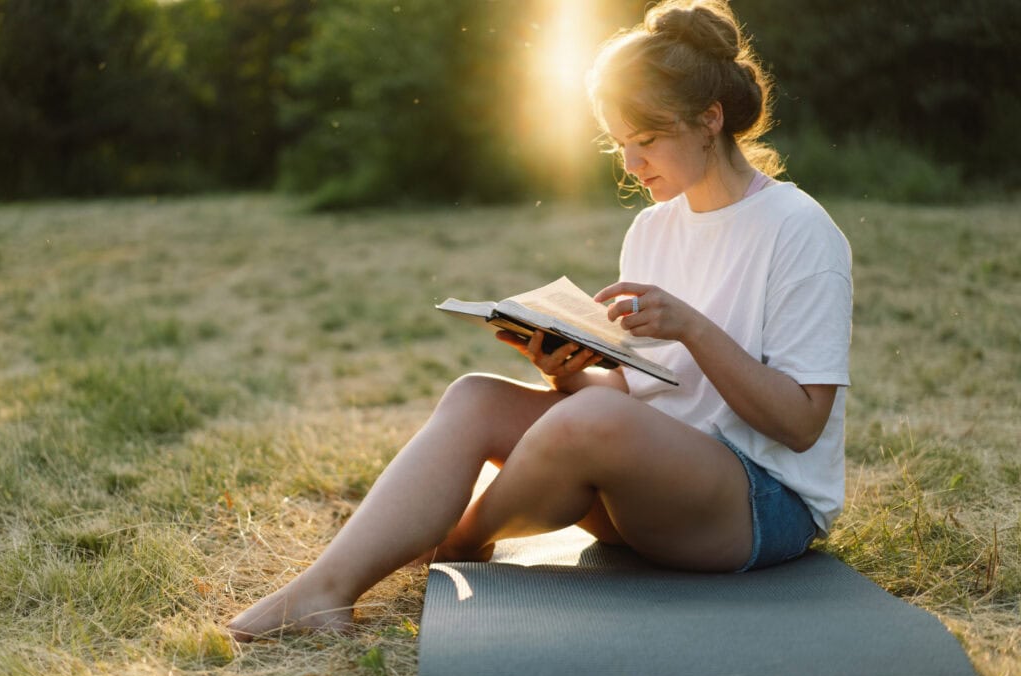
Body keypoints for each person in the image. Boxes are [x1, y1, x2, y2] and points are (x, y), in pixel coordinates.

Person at [227, 0, 852, 641]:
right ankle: (326, 589)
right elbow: (630, 403)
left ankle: (462, 540)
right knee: (475, 397)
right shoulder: (653, 227)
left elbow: (802, 426)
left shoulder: (800, 231)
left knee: (593, 421)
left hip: (760, 507)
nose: (631, 165)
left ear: (709, 121)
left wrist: (691, 327)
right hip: (652, 490)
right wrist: (567, 370)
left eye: (647, 141)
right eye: (619, 144)